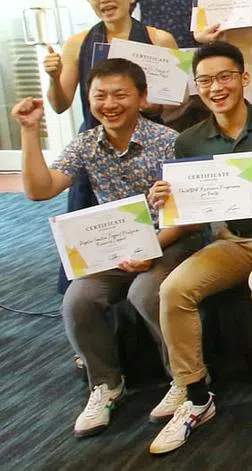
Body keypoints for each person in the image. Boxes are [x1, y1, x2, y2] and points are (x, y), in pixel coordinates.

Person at [12, 59, 198, 438]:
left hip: (169, 241)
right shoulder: (86, 143)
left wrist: (153, 247)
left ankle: (184, 379)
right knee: (78, 301)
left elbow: (189, 216)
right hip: (116, 247)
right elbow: (40, 190)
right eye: (100, 96)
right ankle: (106, 384)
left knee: (147, 292)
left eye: (120, 94)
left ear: (142, 98)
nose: (109, 104)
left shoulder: (167, 141)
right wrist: (29, 131)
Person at [147, 42, 252, 455]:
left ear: (243, 78)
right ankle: (196, 396)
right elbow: (196, 219)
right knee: (173, 289)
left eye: (224, 77)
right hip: (232, 241)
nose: (215, 87)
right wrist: (166, 203)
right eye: (205, 80)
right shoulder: (190, 141)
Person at [44, 0, 178, 213]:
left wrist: (152, 105)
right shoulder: (77, 43)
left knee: (157, 214)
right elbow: (59, 105)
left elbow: (176, 101)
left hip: (147, 145)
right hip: (97, 145)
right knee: (93, 221)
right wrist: (53, 78)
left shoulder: (160, 39)